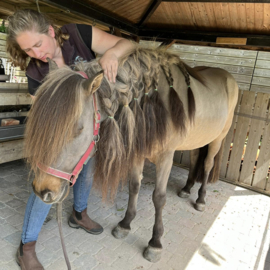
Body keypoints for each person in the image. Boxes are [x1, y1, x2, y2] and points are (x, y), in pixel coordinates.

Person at [7, 9, 134, 270]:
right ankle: (27, 246)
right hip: (58, 133)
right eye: (28, 50)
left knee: (87, 168)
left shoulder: (78, 33)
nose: (36, 54)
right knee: (47, 180)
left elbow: (130, 44)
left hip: (89, 120)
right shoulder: (35, 72)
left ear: (51, 31)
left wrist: (111, 53)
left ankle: (79, 213)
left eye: (38, 44)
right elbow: (43, 115)